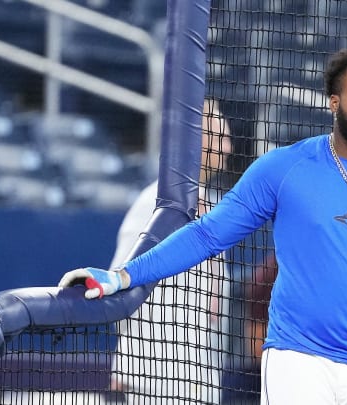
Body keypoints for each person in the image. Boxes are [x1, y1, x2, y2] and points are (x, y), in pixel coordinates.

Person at [60, 45, 347, 405]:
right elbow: (207, 234)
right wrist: (124, 276)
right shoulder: (285, 168)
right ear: (334, 102)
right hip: (298, 360)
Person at [108, 99, 233, 404]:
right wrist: (132, 361)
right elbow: (119, 284)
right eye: (222, 138)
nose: (228, 149)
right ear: (195, 138)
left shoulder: (212, 206)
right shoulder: (157, 205)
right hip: (155, 377)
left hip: (197, 375)